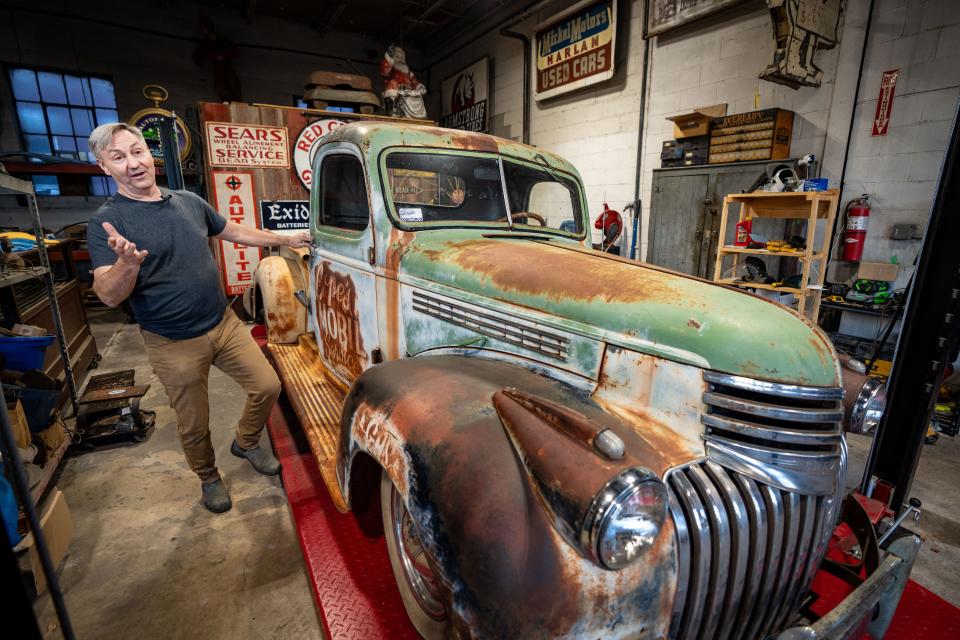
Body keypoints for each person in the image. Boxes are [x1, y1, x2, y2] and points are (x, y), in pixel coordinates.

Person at [86, 123, 310, 513]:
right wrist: (126, 265)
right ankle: (209, 477)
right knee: (193, 424)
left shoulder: (188, 201)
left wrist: (285, 239)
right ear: (105, 167)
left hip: (222, 323)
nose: (132, 163)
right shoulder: (108, 222)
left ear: (148, 154)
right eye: (118, 157)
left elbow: (233, 231)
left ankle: (247, 441)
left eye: (136, 152)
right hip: (172, 340)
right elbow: (107, 296)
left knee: (268, 386)